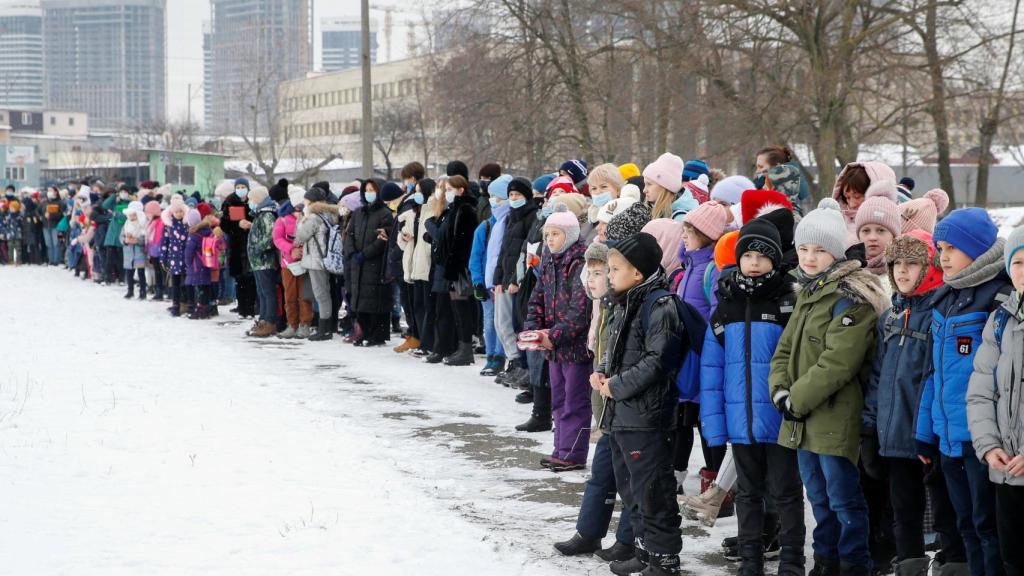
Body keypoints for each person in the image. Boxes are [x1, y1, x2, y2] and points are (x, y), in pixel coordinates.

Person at [770, 198, 888, 576]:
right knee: (817, 498)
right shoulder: (807, 292)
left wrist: (796, 400)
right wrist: (779, 391)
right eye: (803, 249)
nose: (808, 257)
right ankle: (825, 560)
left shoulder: (852, 297)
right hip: (801, 419)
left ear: (836, 254)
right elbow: (784, 350)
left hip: (834, 418)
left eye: (819, 250)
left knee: (842, 499)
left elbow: (838, 362)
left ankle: (853, 563)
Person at [701, 217, 805, 576]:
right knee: (747, 494)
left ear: (776, 260)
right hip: (741, 422)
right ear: (739, 258)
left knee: (786, 491)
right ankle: (750, 560)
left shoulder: (789, 302)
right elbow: (711, 374)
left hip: (780, 418)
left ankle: (792, 560)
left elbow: (798, 361)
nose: (755, 261)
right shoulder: (725, 306)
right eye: (749, 254)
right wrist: (715, 427)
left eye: (764, 255)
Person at [864, 229, 966, 576]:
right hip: (893, 438)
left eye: (912, 264)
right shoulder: (889, 318)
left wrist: (936, 433)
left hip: (929, 438)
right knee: (902, 512)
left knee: (945, 510)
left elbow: (937, 379)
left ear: (929, 268)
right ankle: (909, 565)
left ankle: (953, 564)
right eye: (896, 265)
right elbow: (877, 378)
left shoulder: (939, 314)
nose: (902, 272)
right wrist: (869, 428)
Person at [916, 208, 1011, 576]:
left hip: (983, 438)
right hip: (947, 437)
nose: (944, 257)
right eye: (940, 248)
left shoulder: (997, 296)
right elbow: (932, 374)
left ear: (975, 248)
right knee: (965, 524)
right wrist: (925, 433)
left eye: (952, 248)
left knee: (990, 527)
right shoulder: (945, 297)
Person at [596, 231, 684, 576]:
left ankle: (664, 558)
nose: (608, 275)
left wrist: (616, 386)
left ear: (637, 272)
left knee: (652, 489)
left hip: (646, 415)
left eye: (615, 268)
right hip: (622, 413)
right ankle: (645, 550)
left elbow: (657, 361)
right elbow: (614, 349)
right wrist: (602, 372)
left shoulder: (660, 305)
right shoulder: (622, 301)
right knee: (630, 486)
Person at [553, 239, 635, 560]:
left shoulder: (627, 304)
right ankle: (588, 533)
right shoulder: (605, 306)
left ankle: (628, 539)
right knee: (601, 474)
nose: (593, 279)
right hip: (605, 404)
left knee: (628, 477)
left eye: (602, 272)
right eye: (592, 272)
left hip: (626, 404)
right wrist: (599, 373)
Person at [967, 226, 1024, 576]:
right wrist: (989, 447)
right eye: (1017, 262)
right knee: (1013, 561)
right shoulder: (999, 320)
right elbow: (980, 391)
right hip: (1007, 473)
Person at [523, 204, 592, 472]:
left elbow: (580, 309)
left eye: (555, 234)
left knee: (575, 401)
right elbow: (537, 297)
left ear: (571, 234)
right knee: (559, 399)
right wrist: (534, 328)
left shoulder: (579, 261)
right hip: (552, 346)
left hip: (574, 347)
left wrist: (555, 335)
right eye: (547, 234)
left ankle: (573, 453)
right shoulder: (550, 260)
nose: (550, 239)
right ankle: (560, 448)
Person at [675, 202, 730, 496]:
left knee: (708, 424)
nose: (684, 235)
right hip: (687, 358)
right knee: (683, 418)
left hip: (703, 358)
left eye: (690, 231)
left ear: (706, 235)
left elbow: (714, 315)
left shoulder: (711, 269)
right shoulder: (688, 266)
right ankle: (676, 478)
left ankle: (718, 488)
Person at [492, 177, 537, 383]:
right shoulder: (511, 216)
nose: (513, 198)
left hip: (520, 279)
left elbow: (523, 252)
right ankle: (516, 363)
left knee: (520, 323)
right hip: (507, 277)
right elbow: (504, 250)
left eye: (517, 195)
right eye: (511, 195)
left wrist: (515, 279)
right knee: (504, 323)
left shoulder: (531, 216)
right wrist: (498, 277)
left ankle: (525, 366)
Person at [344, 178, 397, 347]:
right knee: (360, 300)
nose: (369, 193)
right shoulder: (358, 212)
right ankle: (362, 332)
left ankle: (376, 334)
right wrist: (352, 253)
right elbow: (349, 234)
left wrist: (365, 254)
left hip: (375, 263)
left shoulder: (385, 213)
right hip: (357, 264)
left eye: (372, 190)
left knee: (376, 300)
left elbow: (382, 240)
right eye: (366, 190)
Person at [436, 175, 479, 365]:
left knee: (462, 309)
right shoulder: (453, 209)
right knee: (456, 309)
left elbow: (462, 243)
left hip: (460, 269)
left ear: (461, 190)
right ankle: (462, 347)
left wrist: (453, 266)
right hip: (452, 267)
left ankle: (466, 349)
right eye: (446, 190)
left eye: (450, 189)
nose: (447, 193)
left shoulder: (465, 210)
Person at [473, 174, 511, 376]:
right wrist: (477, 281)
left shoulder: (511, 225)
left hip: (504, 283)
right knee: (490, 322)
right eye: (491, 197)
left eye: (497, 197)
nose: (493, 201)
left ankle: (502, 356)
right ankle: (492, 357)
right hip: (487, 284)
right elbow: (476, 257)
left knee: (504, 322)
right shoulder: (486, 226)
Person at [397, 178, 436, 354]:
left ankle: (428, 343)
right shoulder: (414, 212)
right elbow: (405, 242)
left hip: (426, 265)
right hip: (413, 265)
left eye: (420, 191)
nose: (416, 194)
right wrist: (403, 236)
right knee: (417, 306)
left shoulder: (432, 211)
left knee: (427, 307)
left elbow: (429, 240)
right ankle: (421, 340)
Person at [295, 186, 339, 341]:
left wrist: (301, 219)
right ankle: (328, 327)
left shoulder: (313, 218)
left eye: (305, 200)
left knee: (321, 294)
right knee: (326, 293)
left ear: (311, 201)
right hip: (326, 258)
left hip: (316, 260)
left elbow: (300, 236)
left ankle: (325, 329)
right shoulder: (329, 214)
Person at [272, 188, 312, 339]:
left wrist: (303, 250)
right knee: (290, 295)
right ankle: (292, 324)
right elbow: (277, 239)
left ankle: (305, 323)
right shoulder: (282, 220)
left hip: (305, 263)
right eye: (297, 207)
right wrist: (291, 249)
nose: (299, 211)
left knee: (304, 295)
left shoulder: (308, 218)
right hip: (288, 264)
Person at [832, 162, 897, 244]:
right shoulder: (837, 224)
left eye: (857, 197)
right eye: (847, 198)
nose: (851, 204)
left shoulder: (898, 221)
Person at [246, 185, 279, 338]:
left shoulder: (267, 215)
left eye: (251, 199)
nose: (249, 203)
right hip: (258, 262)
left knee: (267, 292)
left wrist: (256, 249)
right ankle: (263, 319)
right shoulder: (259, 214)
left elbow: (270, 237)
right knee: (262, 292)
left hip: (265, 261)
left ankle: (270, 321)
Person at [222, 178, 257, 317]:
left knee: (251, 279)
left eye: (243, 186)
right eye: (238, 186)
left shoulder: (253, 201)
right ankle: (242, 308)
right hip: (236, 245)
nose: (241, 189)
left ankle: (251, 307)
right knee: (240, 279)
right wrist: (237, 225)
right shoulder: (230, 201)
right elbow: (224, 224)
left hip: (251, 243)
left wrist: (250, 224)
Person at [184, 209, 215, 319]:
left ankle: (201, 310)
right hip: (208, 262)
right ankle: (207, 308)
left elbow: (189, 252)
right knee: (205, 286)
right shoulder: (208, 230)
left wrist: (187, 263)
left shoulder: (193, 235)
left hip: (197, 265)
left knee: (200, 287)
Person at [161, 200, 189, 317]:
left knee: (186, 283)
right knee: (175, 283)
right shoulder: (169, 226)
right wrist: (163, 257)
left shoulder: (187, 224)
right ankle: (175, 304)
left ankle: (186, 303)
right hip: (174, 258)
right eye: (176, 212)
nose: (178, 214)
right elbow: (164, 242)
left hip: (186, 258)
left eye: (181, 211)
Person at [643, 153, 686, 220]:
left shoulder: (679, 219)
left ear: (665, 187)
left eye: (649, 184)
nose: (644, 190)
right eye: (645, 184)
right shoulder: (648, 210)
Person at [120, 201, 148, 299]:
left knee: (141, 273)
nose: (131, 217)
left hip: (139, 252)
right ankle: (130, 291)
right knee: (129, 273)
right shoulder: (126, 224)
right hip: (128, 252)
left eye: (133, 215)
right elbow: (121, 236)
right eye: (130, 215)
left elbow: (145, 238)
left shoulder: (142, 225)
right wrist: (125, 240)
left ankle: (143, 292)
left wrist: (136, 240)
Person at [40, 185, 65, 265]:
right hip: (46, 226)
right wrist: (41, 217)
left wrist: (51, 215)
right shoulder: (44, 202)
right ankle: (50, 260)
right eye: (48, 190)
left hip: (56, 226)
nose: (49, 192)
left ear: (55, 192)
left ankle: (56, 260)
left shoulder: (60, 202)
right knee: (49, 244)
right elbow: (38, 211)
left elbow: (61, 214)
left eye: (51, 190)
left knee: (56, 243)